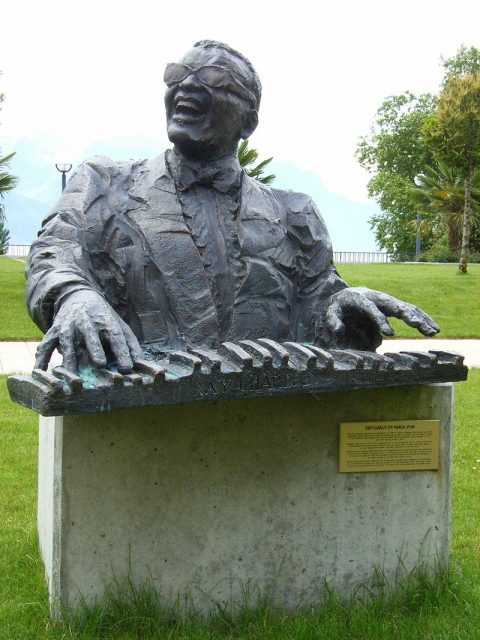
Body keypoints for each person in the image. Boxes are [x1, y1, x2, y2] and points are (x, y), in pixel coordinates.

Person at [26, 40, 439, 374]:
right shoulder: (104, 183)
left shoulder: (294, 214)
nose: (186, 87)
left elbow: (317, 310)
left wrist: (341, 305)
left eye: (213, 80)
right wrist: (74, 296)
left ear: (248, 122)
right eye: (178, 75)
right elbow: (54, 257)